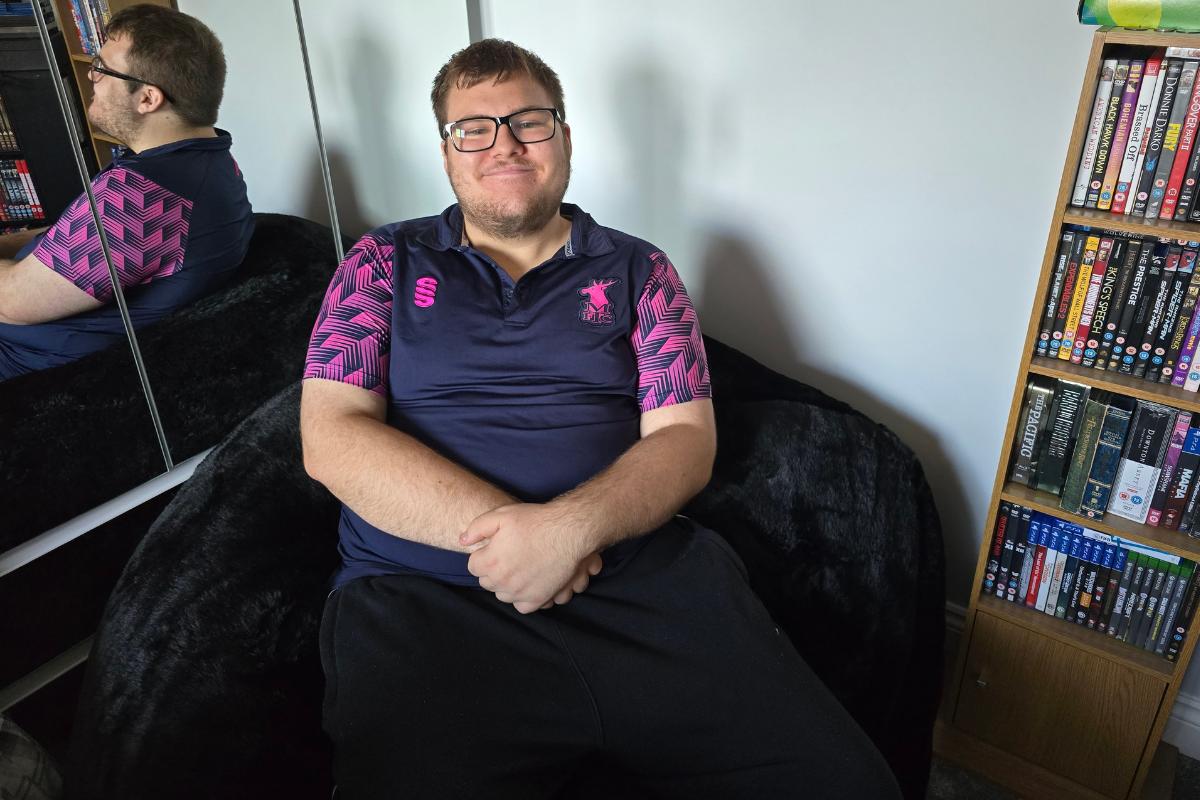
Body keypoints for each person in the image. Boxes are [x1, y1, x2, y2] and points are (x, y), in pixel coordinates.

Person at [300, 38, 900, 799]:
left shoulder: (640, 271)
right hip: (424, 597)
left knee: (846, 783)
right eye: (473, 129)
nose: (505, 145)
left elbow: (685, 438)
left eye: (529, 121)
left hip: (637, 585)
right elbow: (331, 436)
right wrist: (520, 539)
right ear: (447, 154)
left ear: (565, 134)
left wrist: (569, 533)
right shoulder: (380, 262)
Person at [0, 4, 253, 380]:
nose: (91, 77)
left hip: (29, 366)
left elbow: (10, 303)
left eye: (102, 69)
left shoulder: (142, 198)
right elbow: (68, 242)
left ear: (148, 98)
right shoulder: (209, 157)